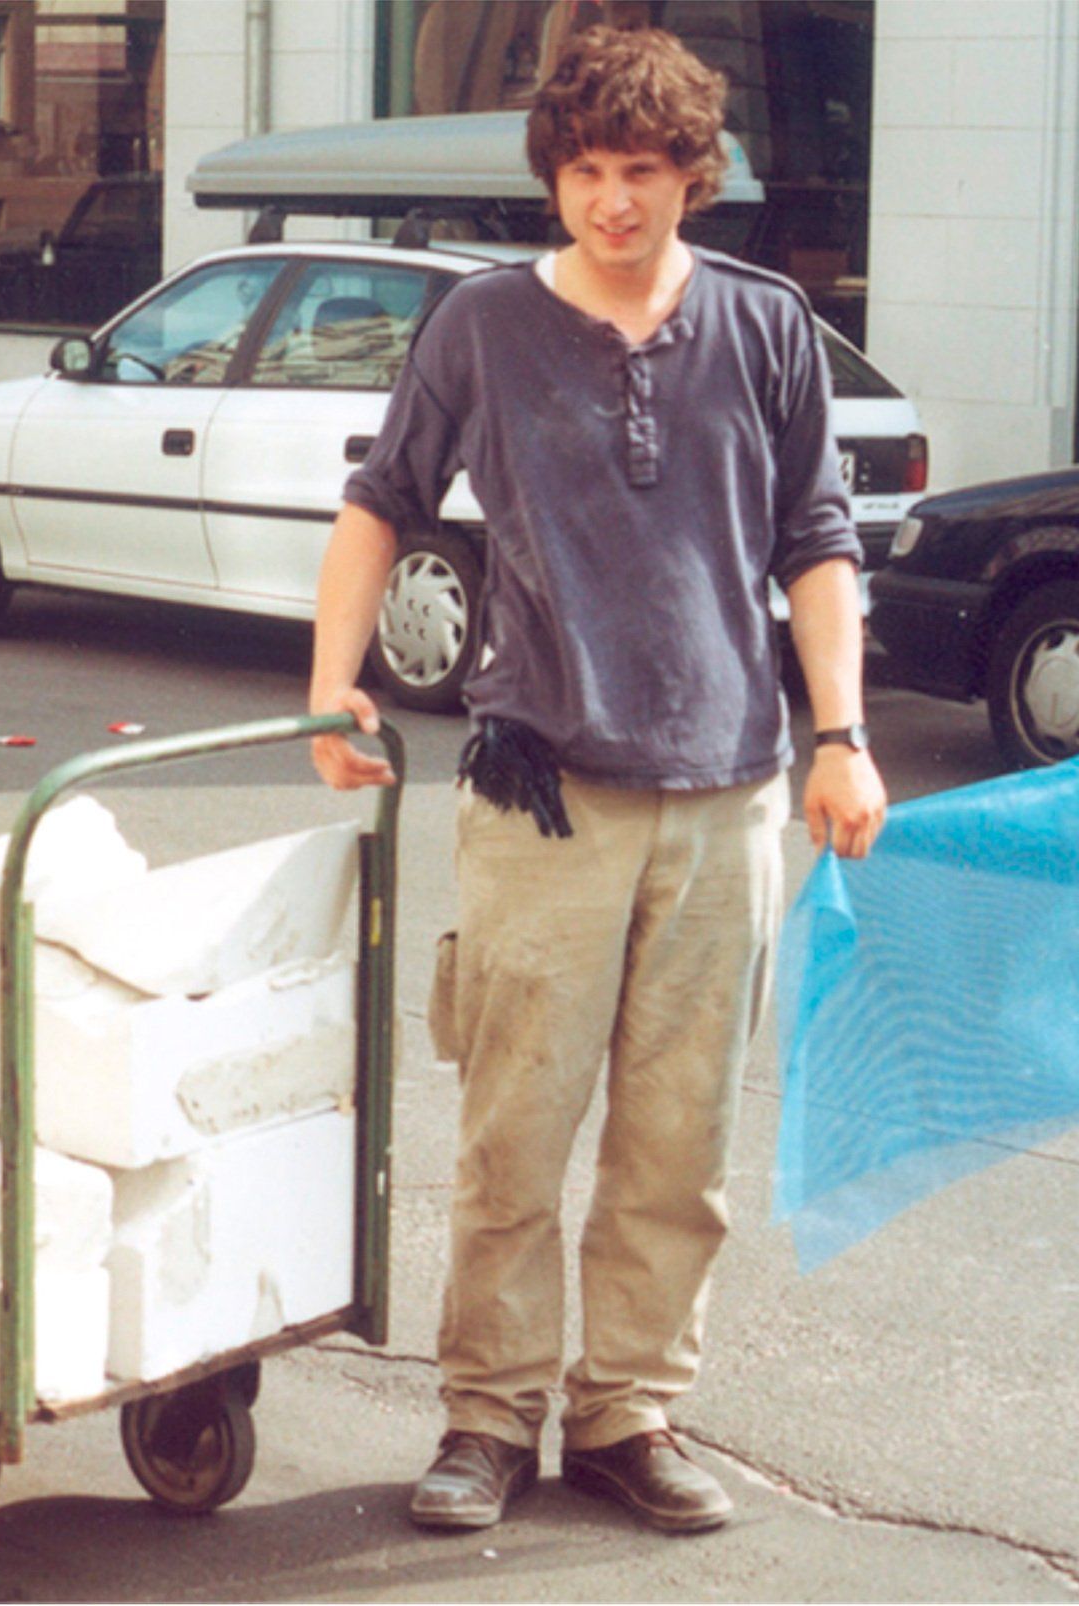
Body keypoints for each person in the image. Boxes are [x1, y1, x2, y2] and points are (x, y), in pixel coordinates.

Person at [309, 25, 886, 1535]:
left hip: (728, 793)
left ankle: (631, 1408)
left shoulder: (767, 329)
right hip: (541, 792)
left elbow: (818, 543)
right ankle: (487, 1415)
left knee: (677, 1142)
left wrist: (844, 736)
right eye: (584, 171)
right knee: (516, 1122)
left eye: (643, 171)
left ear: (695, 176)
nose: (613, 201)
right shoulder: (483, 329)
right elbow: (379, 506)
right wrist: (332, 681)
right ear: (551, 180)